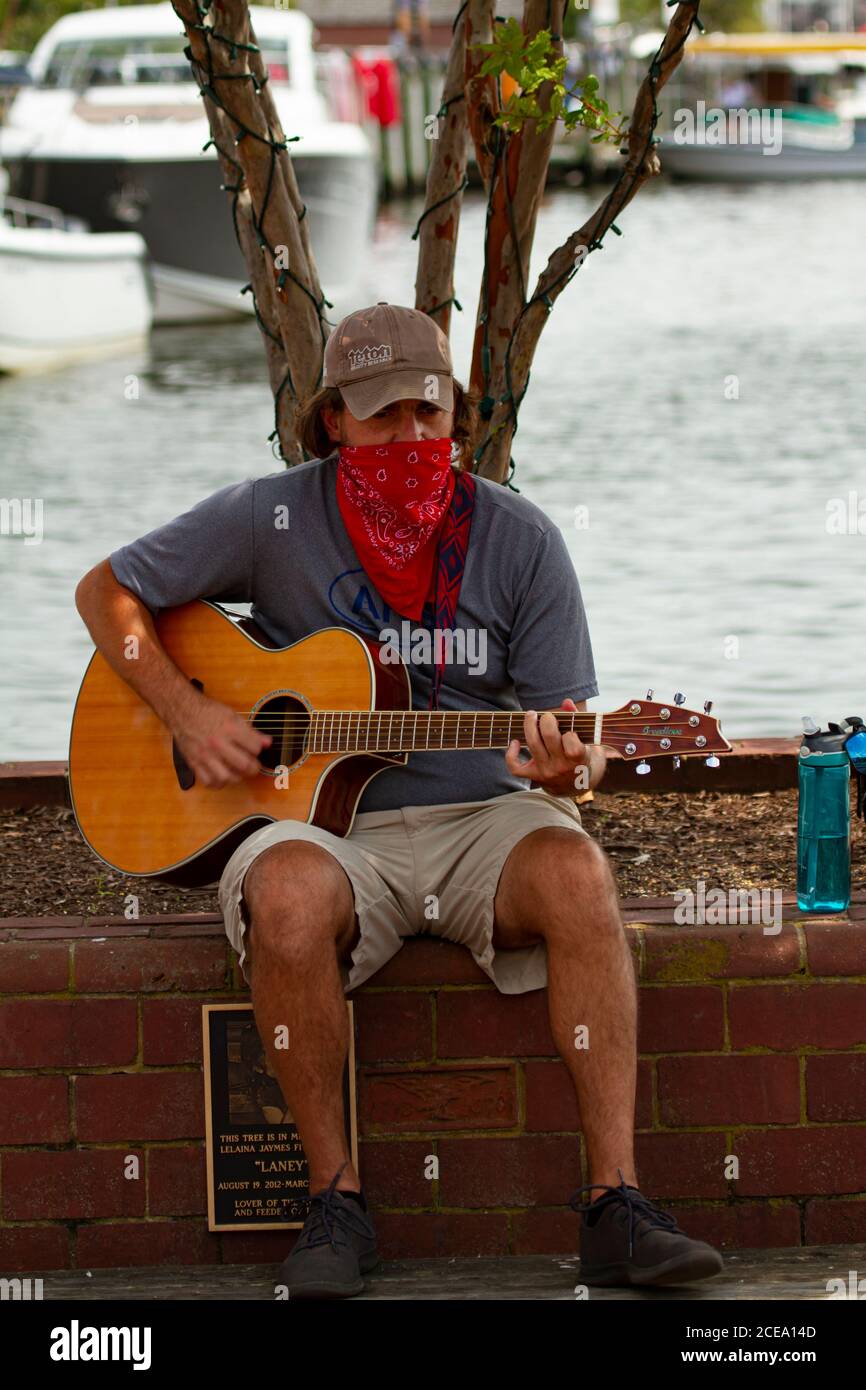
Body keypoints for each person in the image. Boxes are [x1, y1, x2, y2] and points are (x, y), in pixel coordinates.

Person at [74, 302, 724, 1299]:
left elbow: (571, 738)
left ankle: (615, 1205)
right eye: (382, 418)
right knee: (285, 895)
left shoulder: (517, 537)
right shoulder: (270, 515)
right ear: (333, 420)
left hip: (484, 818)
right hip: (322, 830)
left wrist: (572, 768)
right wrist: (187, 714)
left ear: (455, 415)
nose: (409, 437)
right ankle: (334, 1203)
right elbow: (105, 593)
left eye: (427, 413)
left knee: (577, 871)